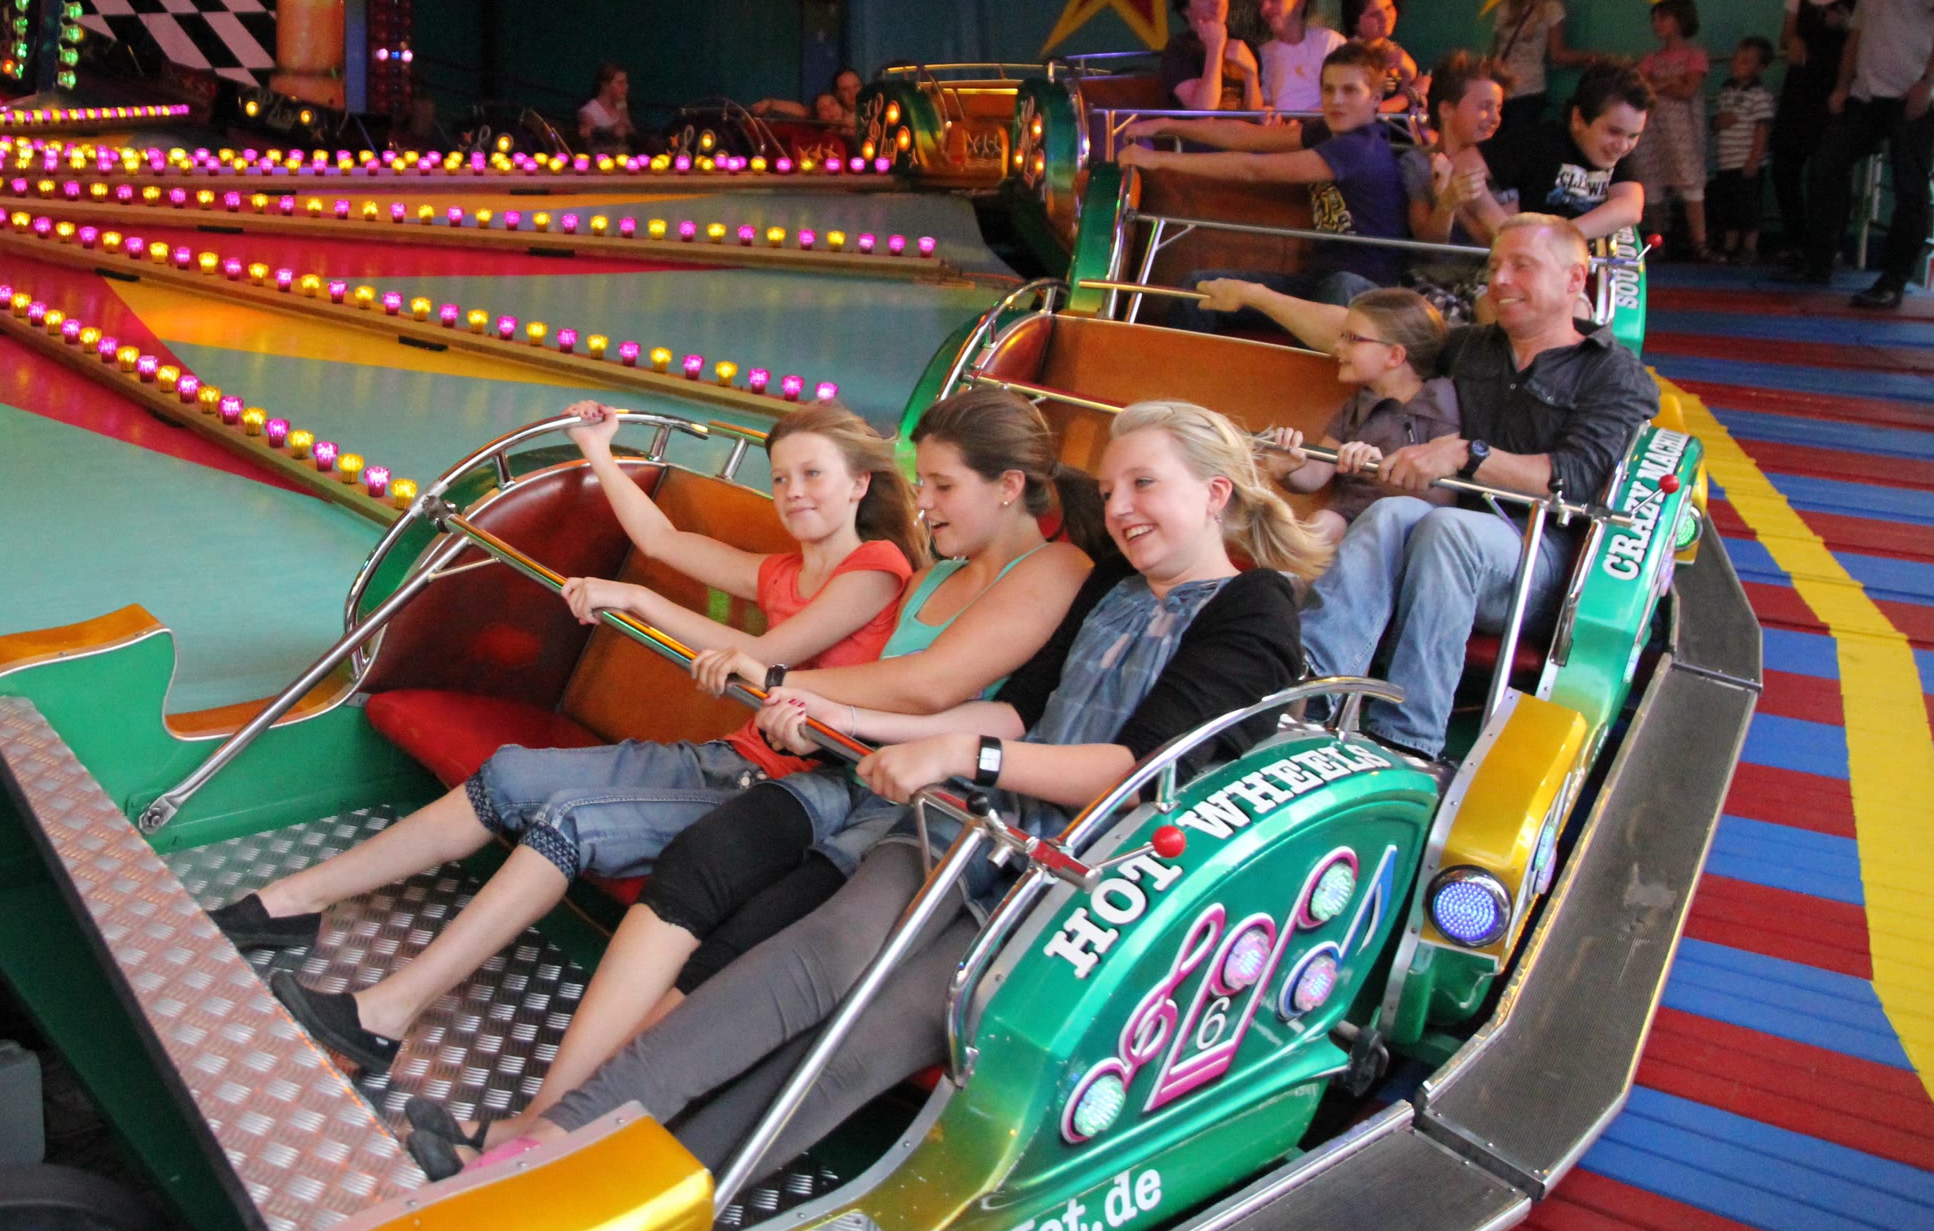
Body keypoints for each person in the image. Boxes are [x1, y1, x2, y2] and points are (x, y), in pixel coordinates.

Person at [405, 400, 1323, 1183]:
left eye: (1145, 485)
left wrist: (960, 752)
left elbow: (1133, 768)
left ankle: (634, 1191)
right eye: (1114, 487)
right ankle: (556, 1136)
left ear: (1216, 494)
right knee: (815, 957)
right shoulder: (1114, 584)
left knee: (858, 1044)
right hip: (978, 825)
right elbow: (1019, 712)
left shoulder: (1253, 608)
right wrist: (860, 725)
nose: (1119, 508)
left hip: (1089, 888)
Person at [210, 399, 922, 1074]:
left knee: (568, 819)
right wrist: (598, 450)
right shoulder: (784, 570)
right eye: (781, 479)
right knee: (511, 774)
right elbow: (662, 540)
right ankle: (290, 903)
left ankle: (384, 1015)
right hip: (730, 758)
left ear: (860, 483)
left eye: (812, 474)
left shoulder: (877, 568)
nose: (793, 493)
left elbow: (768, 658)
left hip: (788, 793)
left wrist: (637, 597)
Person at [1296, 214, 1661, 761]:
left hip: (1541, 560)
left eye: (1521, 266)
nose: (1500, 281)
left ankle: (1407, 737)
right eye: (1494, 267)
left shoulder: (1614, 374)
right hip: (1445, 539)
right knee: (1392, 514)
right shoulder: (1472, 347)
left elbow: (1574, 478)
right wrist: (1253, 296)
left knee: (1449, 530)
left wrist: (1470, 454)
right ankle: (1311, 692)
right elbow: (1371, 336)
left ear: (1573, 280)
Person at [1118, 43, 1410, 329]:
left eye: (1350, 90)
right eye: (1329, 89)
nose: (1336, 100)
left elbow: (1253, 169)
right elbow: (1245, 136)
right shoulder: (1328, 132)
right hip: (1320, 281)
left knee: (1338, 289)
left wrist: (1158, 159)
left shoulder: (1360, 147)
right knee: (1198, 289)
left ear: (1375, 99)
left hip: (1365, 292)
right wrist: (1168, 125)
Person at [1181, 286, 1459, 545]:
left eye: (1352, 338)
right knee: (1321, 523)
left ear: (1395, 356)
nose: (1338, 347)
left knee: (1375, 522)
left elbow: (1443, 495)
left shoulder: (1437, 397)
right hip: (1347, 516)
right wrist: (1289, 470)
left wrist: (1376, 471)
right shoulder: (1356, 406)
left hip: (1403, 524)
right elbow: (1315, 475)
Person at [1796, 0, 1934, 308]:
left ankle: (1893, 279)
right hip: (1867, 93)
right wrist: (1843, 85)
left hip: (1911, 94)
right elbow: (1856, 35)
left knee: (1910, 186)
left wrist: (1927, 83)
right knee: (1826, 164)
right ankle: (1819, 261)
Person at [1475, 57, 1654, 240]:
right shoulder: (1540, 141)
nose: (1623, 146)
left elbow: (1630, 208)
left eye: (1633, 136)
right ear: (1578, 118)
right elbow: (1465, 164)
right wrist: (1503, 229)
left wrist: (1556, 237)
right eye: (1613, 132)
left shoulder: (1615, 155)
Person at [1399, 52, 1514, 321]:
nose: (1495, 118)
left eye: (1498, 108)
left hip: (1487, 279)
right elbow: (1429, 248)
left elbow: (1500, 241)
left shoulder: (1504, 164)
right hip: (1432, 279)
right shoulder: (1416, 163)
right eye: (1485, 107)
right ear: (1447, 110)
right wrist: (1446, 205)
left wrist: (1457, 204)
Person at [1774, 0, 1864, 258]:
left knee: (1831, 169)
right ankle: (1796, 240)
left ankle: (1830, 245)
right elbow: (1786, 34)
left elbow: (1874, 34)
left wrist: (1846, 25)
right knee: (1785, 166)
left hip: (1842, 86)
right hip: (1800, 87)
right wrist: (1793, 40)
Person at [1633, 0, 1711, 257]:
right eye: (1654, 19)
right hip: (1653, 131)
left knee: (1690, 183)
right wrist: (1670, 82)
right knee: (1652, 183)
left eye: (1663, 18)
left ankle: (1700, 243)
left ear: (1681, 20)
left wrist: (1660, 84)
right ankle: (1657, 241)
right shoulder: (1650, 59)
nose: (1657, 24)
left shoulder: (1694, 55)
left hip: (1683, 131)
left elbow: (1688, 90)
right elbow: (1640, 87)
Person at [1490, 0, 1584, 146]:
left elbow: (1558, 54)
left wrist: (1596, 58)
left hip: (1529, 89)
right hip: (1500, 88)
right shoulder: (1505, 8)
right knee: (1494, 144)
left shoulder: (1550, 8)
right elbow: (1496, 50)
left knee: (1518, 145)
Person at [1160, 0, 1263, 112]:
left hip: (1240, 127)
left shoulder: (1243, 44)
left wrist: (1251, 72)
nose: (1217, 0)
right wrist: (1215, 49)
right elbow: (1203, 110)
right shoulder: (1179, 49)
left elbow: (1254, 115)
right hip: (1200, 128)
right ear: (1186, 9)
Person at [1710, 37, 1778, 263]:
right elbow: (1715, 123)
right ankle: (1729, 246)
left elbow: (1763, 127)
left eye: (1746, 61)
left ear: (1760, 68)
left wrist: (1754, 159)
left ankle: (1749, 247)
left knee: (1748, 206)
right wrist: (1718, 122)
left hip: (1747, 162)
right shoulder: (1726, 91)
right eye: (1737, 59)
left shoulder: (1759, 95)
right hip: (1726, 161)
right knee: (1728, 204)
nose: (1738, 64)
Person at [1256, 0, 1347, 113]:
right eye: (1261, 3)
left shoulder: (1329, 42)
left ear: (1299, 2)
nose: (1266, 8)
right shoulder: (1263, 53)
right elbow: (1265, 103)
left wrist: (1304, 121)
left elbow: (1347, 98)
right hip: (1282, 126)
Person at [1342, 0, 1426, 112]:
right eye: (1374, 14)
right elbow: (1363, 112)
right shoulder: (1346, 57)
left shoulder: (1393, 49)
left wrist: (1410, 75)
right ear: (1355, 21)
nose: (1385, 17)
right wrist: (1413, 92)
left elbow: (1407, 113)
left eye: (1388, 8)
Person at [578, 63, 636, 150]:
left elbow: (630, 132)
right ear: (605, 85)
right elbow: (591, 145)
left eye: (626, 82)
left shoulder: (621, 105)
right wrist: (613, 131)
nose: (626, 87)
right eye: (620, 83)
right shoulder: (588, 113)